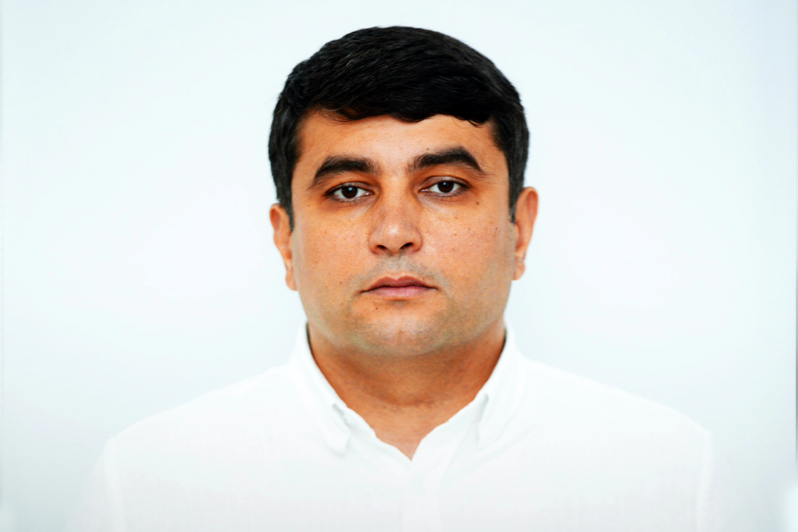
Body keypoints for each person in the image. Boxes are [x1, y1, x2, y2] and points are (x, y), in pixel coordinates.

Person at [67, 26, 734, 531]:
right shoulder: (145, 485)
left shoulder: (674, 476)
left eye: (444, 185)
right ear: (285, 241)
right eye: (349, 190)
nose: (394, 231)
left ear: (520, 228)